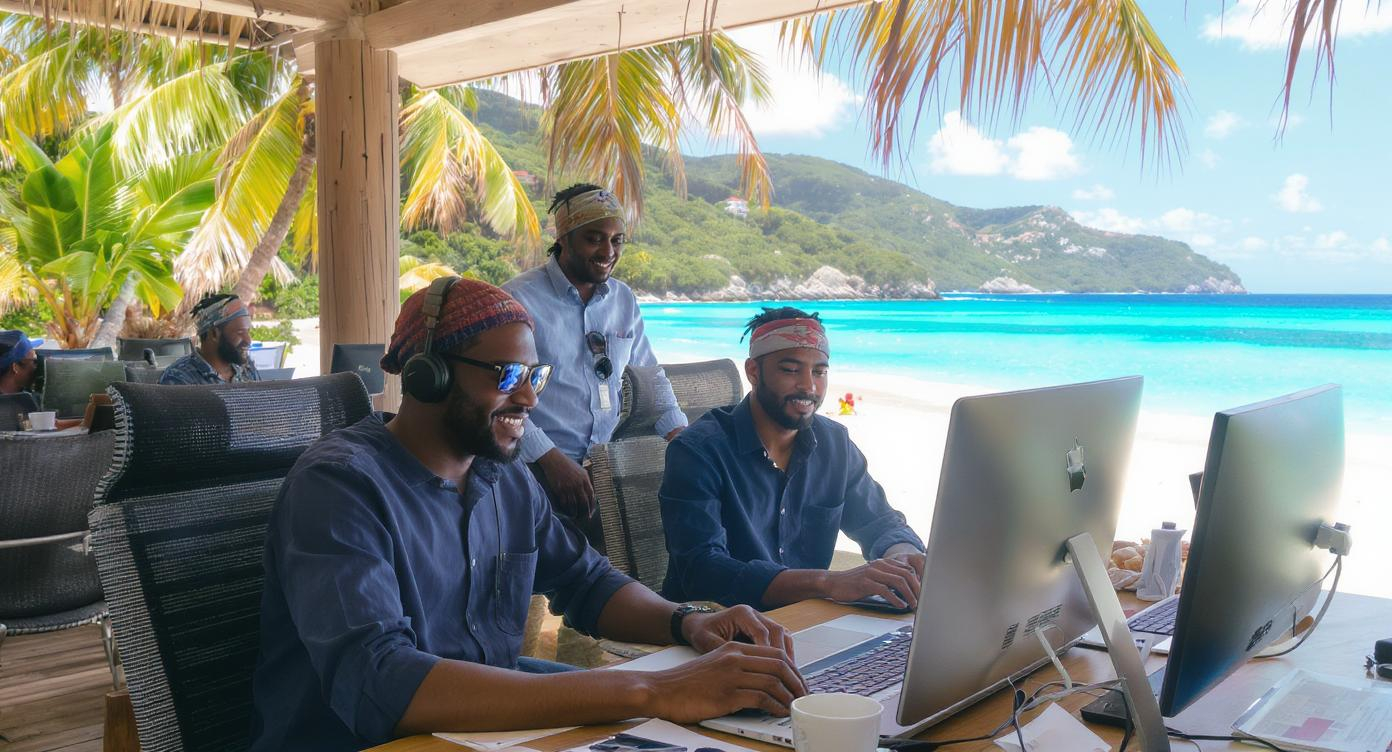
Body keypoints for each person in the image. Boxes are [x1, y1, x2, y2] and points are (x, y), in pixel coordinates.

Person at [249, 277, 806, 752]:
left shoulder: (503, 477)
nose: (530, 400)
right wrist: (651, 689)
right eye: (507, 375)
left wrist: (687, 621)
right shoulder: (340, 487)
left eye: (534, 377)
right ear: (429, 375)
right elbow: (380, 681)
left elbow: (585, 581)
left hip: (487, 730)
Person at [659, 307, 926, 611]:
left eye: (819, 371)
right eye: (790, 369)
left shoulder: (835, 444)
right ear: (754, 372)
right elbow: (703, 572)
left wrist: (903, 559)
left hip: (806, 624)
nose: (809, 386)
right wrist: (829, 583)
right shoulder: (697, 451)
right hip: (711, 633)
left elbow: (882, 524)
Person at [503, 184, 687, 530]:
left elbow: (651, 377)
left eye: (617, 240)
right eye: (594, 238)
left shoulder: (623, 300)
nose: (608, 251)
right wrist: (549, 458)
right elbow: (499, 397)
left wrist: (683, 437)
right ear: (564, 237)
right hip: (531, 471)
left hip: (604, 473)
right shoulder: (518, 300)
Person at [159, 293, 260, 385]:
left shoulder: (247, 370)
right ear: (215, 334)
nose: (248, 340)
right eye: (240, 332)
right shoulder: (179, 379)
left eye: (248, 331)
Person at [0, 330, 43, 394]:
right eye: (34, 361)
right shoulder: (23, 402)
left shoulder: (24, 396)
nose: (37, 366)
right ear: (15, 367)